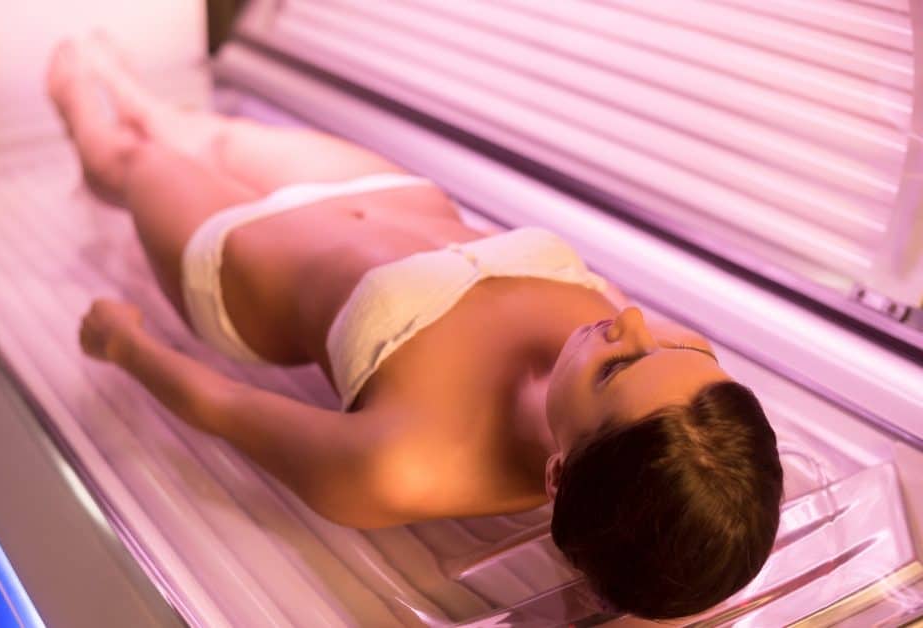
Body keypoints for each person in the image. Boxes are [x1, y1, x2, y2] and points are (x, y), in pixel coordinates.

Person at [49, 35, 784, 620]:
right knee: (195, 131)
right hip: (385, 194)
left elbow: (227, 408)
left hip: (238, 262)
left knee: (128, 157)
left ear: (559, 473)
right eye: (673, 351)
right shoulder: (685, 393)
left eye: (616, 367)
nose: (629, 322)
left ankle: (80, 92)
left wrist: (123, 342)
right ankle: (139, 92)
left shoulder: (404, 464)